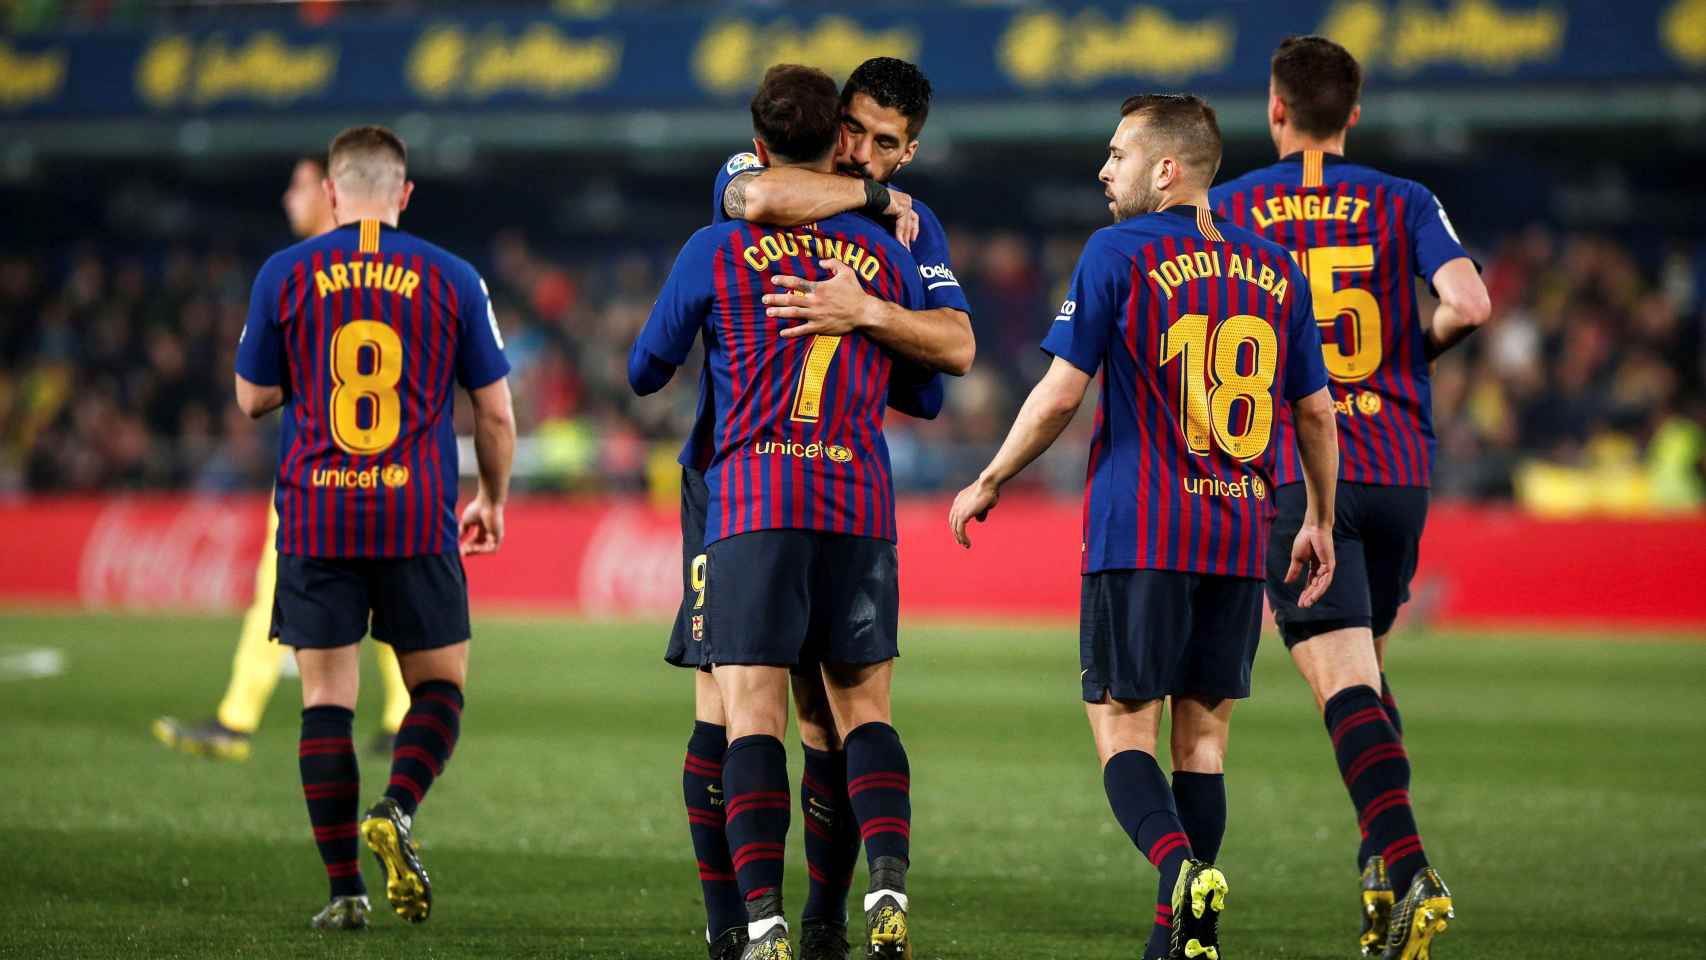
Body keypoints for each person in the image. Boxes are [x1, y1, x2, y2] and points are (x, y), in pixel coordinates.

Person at [949, 94, 1339, 960]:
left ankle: (1176, 871)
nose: (1104, 168)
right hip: (1241, 538)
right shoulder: (1277, 266)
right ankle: (1182, 940)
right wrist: (1318, 516)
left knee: (1122, 729)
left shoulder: (1116, 252)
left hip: (1145, 533)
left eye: (1118, 154)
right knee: (1203, 740)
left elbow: (1058, 392)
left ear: (1167, 169)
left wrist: (990, 476)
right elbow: (1314, 412)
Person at [673, 56, 973, 960]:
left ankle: (821, 922)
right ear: (832, 119)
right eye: (854, 129)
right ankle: (732, 928)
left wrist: (870, 311)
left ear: (909, 148)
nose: (863, 152)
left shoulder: (918, 234)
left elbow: (953, 348)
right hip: (728, 478)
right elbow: (752, 202)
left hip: (827, 480)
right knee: (722, 705)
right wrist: (873, 209)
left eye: (886, 146)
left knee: (818, 720)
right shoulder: (768, 176)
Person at [1210, 35, 1490, 959]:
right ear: (1354, 114)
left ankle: (1410, 870)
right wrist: (1413, 351)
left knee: (1340, 683)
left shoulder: (1234, 205)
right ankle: (1380, 877)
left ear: (1275, 109)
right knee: (1364, 671)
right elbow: (1470, 303)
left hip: (1301, 470)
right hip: (1401, 467)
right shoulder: (1403, 200)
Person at [233, 125, 515, 931]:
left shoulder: (285, 272)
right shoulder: (453, 277)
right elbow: (494, 413)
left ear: (329, 192)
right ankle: (396, 805)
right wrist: (491, 498)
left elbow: (252, 399)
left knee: (326, 701)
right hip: (415, 514)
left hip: (317, 510)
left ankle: (344, 892)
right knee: (438, 687)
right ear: (404, 195)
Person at [154, 154, 411, 761]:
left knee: (284, 588)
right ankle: (401, 718)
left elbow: (257, 391)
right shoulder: (392, 268)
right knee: (386, 593)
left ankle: (239, 719)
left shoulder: (297, 274)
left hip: (315, 469)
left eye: (297, 186)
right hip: (387, 467)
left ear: (330, 192)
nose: (287, 199)